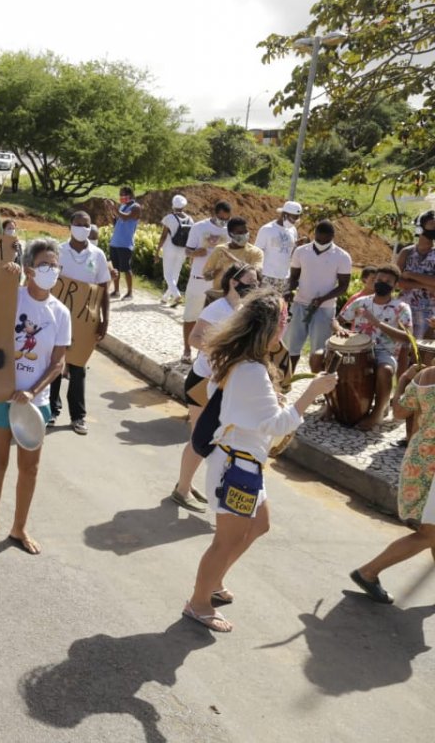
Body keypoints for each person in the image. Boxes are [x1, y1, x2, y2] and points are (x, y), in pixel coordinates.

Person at [182, 292, 338, 632]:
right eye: (283, 323)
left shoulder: (240, 362)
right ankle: (198, 602)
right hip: (237, 466)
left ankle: (214, 582)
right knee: (227, 540)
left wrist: (273, 402)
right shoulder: (251, 371)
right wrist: (312, 393)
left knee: (258, 526)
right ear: (270, 329)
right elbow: (277, 425)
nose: (285, 329)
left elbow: (238, 406)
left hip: (243, 461)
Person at [0, 238, 70, 555]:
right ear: (29, 269)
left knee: (29, 468)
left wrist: (32, 391)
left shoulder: (61, 313)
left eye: (55, 265)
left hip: (34, 405)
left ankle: (19, 528)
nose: (51, 270)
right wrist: (2, 275)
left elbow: (58, 363)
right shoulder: (10, 297)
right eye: (44, 264)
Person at [172, 264, 261, 512]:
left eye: (256, 281)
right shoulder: (218, 309)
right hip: (202, 382)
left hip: (221, 383)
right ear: (234, 282)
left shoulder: (243, 310)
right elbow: (195, 338)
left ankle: (186, 484)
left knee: (210, 438)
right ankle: (182, 490)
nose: (254, 285)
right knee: (199, 437)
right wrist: (225, 354)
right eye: (249, 280)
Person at [348, 359, 435, 605]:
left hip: (419, 458)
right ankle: (368, 572)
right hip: (430, 466)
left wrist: (406, 379)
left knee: (432, 530)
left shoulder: (426, 375)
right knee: (430, 533)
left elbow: (399, 412)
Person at [49, 211, 110, 435]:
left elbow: (103, 290)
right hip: (57, 317)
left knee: (78, 368)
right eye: (78, 224)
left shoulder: (98, 255)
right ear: (70, 226)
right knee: (54, 363)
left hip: (84, 322)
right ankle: (51, 411)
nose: (82, 228)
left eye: (87, 225)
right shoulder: (57, 251)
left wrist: (105, 320)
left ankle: (78, 416)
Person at [333, 264, 413, 430]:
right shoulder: (361, 302)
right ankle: (332, 405)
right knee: (322, 358)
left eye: (387, 281)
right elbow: (337, 320)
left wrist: (377, 323)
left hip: (384, 351)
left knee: (386, 370)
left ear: (395, 285)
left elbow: (408, 337)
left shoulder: (401, 308)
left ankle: (377, 414)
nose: (382, 283)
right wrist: (339, 329)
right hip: (356, 349)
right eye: (379, 280)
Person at [285, 219, 353, 374]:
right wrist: (289, 290)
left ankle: (316, 384)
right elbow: (294, 277)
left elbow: (343, 286)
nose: (321, 241)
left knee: (319, 351)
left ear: (333, 236)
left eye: (326, 239)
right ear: (314, 234)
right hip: (300, 304)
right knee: (291, 346)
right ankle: (286, 380)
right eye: (319, 238)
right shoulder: (301, 251)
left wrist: (323, 298)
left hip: (324, 308)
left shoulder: (342, 256)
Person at [182, 202, 233, 363]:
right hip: (198, 278)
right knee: (191, 316)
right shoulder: (198, 227)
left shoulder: (229, 230)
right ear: (214, 213)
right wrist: (195, 253)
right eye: (221, 218)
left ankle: (204, 354)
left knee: (213, 320)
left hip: (218, 282)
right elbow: (187, 250)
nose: (223, 221)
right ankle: (187, 349)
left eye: (226, 219)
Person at [397, 209, 435, 342]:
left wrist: (410, 274)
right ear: (419, 227)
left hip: (429, 310)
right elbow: (398, 282)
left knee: (422, 348)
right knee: (402, 345)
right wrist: (426, 284)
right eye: (432, 224)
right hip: (405, 306)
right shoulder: (406, 252)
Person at [201, 216, 264, 291]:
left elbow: (257, 274)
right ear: (231, 234)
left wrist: (234, 260)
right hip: (219, 294)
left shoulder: (256, 252)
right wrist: (219, 270)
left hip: (243, 297)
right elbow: (206, 276)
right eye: (240, 233)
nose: (244, 235)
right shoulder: (220, 249)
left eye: (246, 232)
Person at [254, 200, 302, 292]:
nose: (294, 222)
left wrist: (296, 246)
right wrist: (258, 276)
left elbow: (290, 253)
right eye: (293, 218)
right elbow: (257, 253)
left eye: (297, 219)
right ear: (284, 214)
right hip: (267, 276)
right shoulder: (267, 229)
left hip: (284, 277)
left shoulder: (293, 230)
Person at [156, 194, 193, 306]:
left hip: (170, 248)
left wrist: (157, 251)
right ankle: (165, 297)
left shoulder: (169, 218)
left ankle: (176, 295)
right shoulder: (190, 220)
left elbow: (163, 236)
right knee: (175, 274)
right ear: (184, 206)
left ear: (173, 205)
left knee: (167, 275)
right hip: (183, 249)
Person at [109, 186, 140, 300]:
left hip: (125, 243)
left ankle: (129, 293)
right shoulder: (122, 206)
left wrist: (115, 209)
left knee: (126, 269)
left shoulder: (136, 207)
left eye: (123, 194)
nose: (121, 197)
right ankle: (116, 291)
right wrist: (110, 210)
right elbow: (116, 222)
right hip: (115, 242)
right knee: (115, 269)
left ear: (130, 195)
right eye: (120, 195)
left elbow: (126, 218)